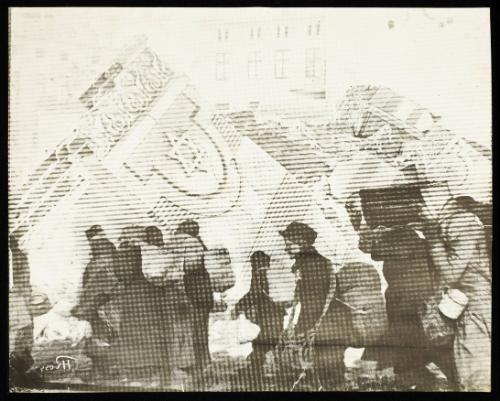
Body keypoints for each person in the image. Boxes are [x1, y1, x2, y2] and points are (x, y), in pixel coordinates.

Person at [345, 193, 457, 390]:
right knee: (417, 354)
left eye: (355, 212)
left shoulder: (403, 236)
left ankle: (456, 382)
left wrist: (366, 222)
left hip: (416, 306)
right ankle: (431, 382)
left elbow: (371, 247)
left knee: (427, 349)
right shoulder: (397, 237)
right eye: (351, 214)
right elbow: (371, 249)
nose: (353, 218)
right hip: (406, 306)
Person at [425, 197, 491, 391]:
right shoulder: (463, 219)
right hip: (476, 304)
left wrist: (433, 240)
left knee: (477, 378)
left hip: (476, 308)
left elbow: (451, 272)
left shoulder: (463, 222)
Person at [279, 221, 345, 390]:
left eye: (288, 244)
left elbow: (315, 299)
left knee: (327, 369)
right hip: (330, 321)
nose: (286, 248)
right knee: (327, 368)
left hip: (323, 322)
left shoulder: (310, 264)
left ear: (300, 242)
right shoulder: (314, 261)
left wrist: (305, 328)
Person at [144, 226, 195, 387]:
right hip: (169, 296)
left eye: (157, 235)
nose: (157, 239)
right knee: (173, 333)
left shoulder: (156, 253)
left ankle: (172, 367)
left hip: (168, 296)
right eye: (154, 236)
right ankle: (173, 367)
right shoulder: (162, 253)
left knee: (172, 333)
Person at [112, 241, 170, 381]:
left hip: (133, 294)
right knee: (150, 330)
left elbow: (122, 275)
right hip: (148, 292)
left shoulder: (125, 254)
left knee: (132, 330)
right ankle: (153, 366)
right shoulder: (145, 253)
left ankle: (136, 368)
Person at [234, 251, 286, 389]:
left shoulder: (259, 275)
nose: (251, 266)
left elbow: (254, 293)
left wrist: (240, 305)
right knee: (271, 342)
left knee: (261, 343)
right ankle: (261, 368)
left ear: (256, 263)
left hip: (267, 315)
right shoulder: (272, 274)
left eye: (252, 263)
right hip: (277, 314)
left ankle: (255, 373)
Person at [173, 220, 214, 388]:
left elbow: (190, 266)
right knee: (200, 332)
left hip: (196, 296)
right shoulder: (200, 244)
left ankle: (199, 368)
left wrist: (176, 267)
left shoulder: (191, 244)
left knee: (196, 333)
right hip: (203, 296)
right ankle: (205, 364)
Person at [71, 226, 120, 345]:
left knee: (104, 312)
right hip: (108, 289)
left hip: (104, 288)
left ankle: (111, 337)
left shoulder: (97, 257)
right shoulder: (106, 248)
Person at [9, 234, 41, 387]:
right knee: (24, 333)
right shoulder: (20, 256)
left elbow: (22, 280)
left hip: (19, 301)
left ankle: (21, 370)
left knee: (22, 334)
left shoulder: (18, 257)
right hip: (20, 301)